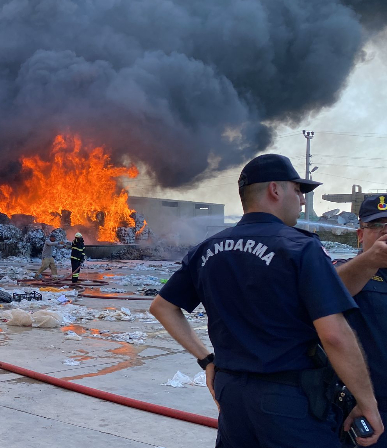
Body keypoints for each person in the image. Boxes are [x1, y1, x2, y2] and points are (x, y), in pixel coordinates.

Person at [149, 154, 382, 447]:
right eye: (298, 191)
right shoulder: (300, 247)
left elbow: (162, 307)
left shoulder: (207, 249)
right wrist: (368, 404)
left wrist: (208, 361)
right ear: (275, 190)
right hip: (289, 400)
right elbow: (334, 335)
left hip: (231, 395)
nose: (301, 201)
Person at [335, 195, 387, 446]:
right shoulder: (347, 270)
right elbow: (326, 292)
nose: (386, 231)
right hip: (368, 406)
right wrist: (371, 261)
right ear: (360, 234)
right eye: (378, 225)